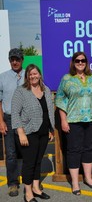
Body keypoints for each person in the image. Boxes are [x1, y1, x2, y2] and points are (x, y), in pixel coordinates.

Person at [55, 52, 92, 196]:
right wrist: (63, 120)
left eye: (83, 60)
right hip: (73, 121)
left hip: (91, 119)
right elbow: (60, 100)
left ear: (86, 62)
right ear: (73, 62)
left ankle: (88, 178)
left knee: (89, 149)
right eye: (77, 60)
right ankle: (75, 182)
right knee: (74, 150)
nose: (80, 63)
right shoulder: (66, 79)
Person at [11, 64, 54, 202]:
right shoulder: (21, 91)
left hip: (43, 133)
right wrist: (21, 132)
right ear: (27, 77)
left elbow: (48, 111)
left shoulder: (46, 89)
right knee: (29, 163)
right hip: (28, 133)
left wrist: (51, 129)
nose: (33, 76)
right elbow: (15, 113)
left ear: (39, 75)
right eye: (30, 74)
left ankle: (36, 188)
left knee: (38, 161)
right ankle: (28, 193)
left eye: (35, 73)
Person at [0, 48, 25, 197]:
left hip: (25, 119)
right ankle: (12, 184)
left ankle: (30, 181)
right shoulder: (2, 77)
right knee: (10, 153)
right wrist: (1, 121)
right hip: (8, 119)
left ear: (22, 60)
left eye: (17, 59)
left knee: (28, 151)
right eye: (12, 59)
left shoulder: (29, 76)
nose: (14, 62)